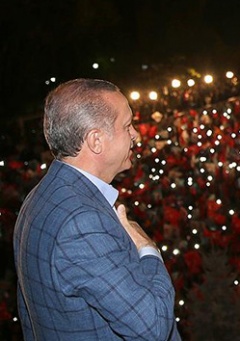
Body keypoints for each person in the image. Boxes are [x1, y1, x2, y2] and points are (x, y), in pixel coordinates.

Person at [13, 78, 181, 340]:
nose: (136, 134)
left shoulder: (39, 197)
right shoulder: (81, 222)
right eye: (127, 126)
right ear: (96, 140)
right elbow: (153, 326)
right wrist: (147, 249)